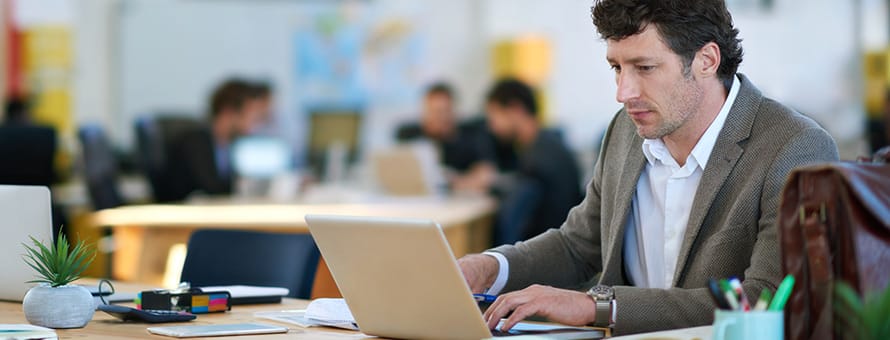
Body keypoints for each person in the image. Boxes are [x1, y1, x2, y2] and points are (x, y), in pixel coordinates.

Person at [457, 0, 839, 335]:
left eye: (644, 67)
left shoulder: (795, 147)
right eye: (616, 68)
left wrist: (597, 306)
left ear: (706, 61)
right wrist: (490, 268)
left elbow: (764, 299)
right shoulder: (625, 130)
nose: (623, 93)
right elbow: (578, 246)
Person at [484, 78, 582, 244]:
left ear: (515, 109)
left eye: (494, 116)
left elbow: (512, 226)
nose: (492, 127)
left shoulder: (538, 160)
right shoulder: (548, 145)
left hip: (548, 250)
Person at [396, 82, 507, 192]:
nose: (440, 117)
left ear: (454, 111)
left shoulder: (473, 135)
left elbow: (486, 174)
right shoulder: (409, 135)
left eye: (445, 111)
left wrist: (453, 182)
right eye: (435, 112)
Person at [166, 78, 264, 200]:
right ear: (228, 112)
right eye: (251, 118)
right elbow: (211, 191)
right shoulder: (193, 144)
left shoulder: (228, 147)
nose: (252, 127)